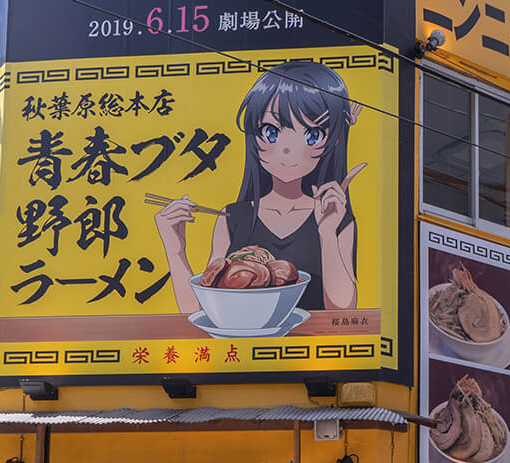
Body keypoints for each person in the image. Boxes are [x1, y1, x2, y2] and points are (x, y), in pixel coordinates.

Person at [155, 59, 361, 314]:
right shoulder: (232, 217)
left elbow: (343, 311)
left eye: (312, 135)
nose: (287, 149)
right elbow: (201, 312)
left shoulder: (336, 217)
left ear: (334, 140)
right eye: (271, 132)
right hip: (241, 347)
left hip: (312, 350)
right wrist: (175, 250)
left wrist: (327, 234)